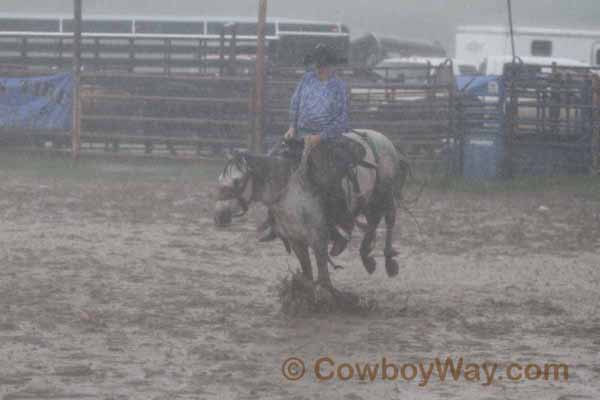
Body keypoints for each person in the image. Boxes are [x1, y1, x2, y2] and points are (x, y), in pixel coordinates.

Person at [259, 43, 362, 257]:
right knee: (275, 167)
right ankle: (273, 222)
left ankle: (340, 229)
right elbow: (295, 103)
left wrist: (320, 136)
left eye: (323, 64)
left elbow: (342, 120)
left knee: (329, 180)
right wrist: (292, 126)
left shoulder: (338, 87)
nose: (320, 68)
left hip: (327, 139)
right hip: (300, 135)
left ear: (331, 66)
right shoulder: (307, 80)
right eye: (318, 64)